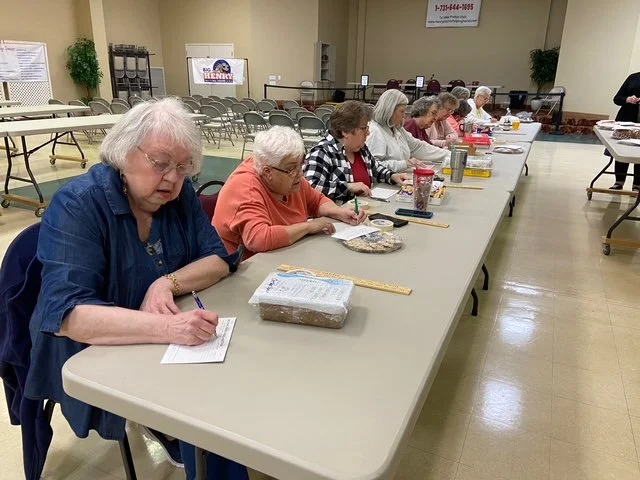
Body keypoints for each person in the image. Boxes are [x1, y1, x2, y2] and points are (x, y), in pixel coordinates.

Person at [24, 98, 247, 480]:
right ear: (124, 153)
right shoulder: (78, 205)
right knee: (207, 401)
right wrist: (168, 330)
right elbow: (68, 317)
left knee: (230, 378)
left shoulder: (179, 197)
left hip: (156, 329)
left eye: (182, 168)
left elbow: (218, 259)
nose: (173, 179)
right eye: (160, 163)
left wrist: (167, 282)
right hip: (86, 346)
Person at [213, 126, 367, 257]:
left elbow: (316, 200)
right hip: (243, 269)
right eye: (292, 168)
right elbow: (259, 239)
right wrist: (308, 226)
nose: (300, 173)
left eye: (301, 165)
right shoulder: (246, 187)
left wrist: (338, 212)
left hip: (285, 255)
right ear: (267, 172)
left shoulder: (290, 178)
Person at [304, 101, 411, 202]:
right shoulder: (322, 152)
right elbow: (310, 186)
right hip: (336, 216)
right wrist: (348, 187)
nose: (368, 133)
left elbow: (375, 169)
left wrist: (392, 176)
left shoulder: (361, 148)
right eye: (364, 128)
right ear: (345, 131)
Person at [366, 89, 449, 172]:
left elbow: (418, 147)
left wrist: (448, 154)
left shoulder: (397, 128)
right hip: (382, 183)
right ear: (390, 110)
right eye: (402, 111)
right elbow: (373, 165)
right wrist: (405, 164)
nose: (404, 114)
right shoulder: (375, 131)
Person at [610, 72, 640, 191]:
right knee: (622, 150)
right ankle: (619, 182)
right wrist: (628, 99)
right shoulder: (633, 78)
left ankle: (637, 185)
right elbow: (617, 99)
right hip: (626, 120)